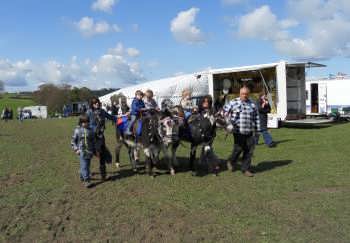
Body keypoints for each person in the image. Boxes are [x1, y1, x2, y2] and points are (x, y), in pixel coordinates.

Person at [224, 86, 260, 177]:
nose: (244, 95)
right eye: (243, 94)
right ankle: (231, 161)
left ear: (249, 94)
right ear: (239, 94)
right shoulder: (233, 102)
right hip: (238, 130)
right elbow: (224, 113)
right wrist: (228, 124)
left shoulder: (252, 104)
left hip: (249, 131)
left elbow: (256, 117)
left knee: (249, 150)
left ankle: (245, 169)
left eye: (246, 94)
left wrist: (258, 130)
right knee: (238, 149)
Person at [86, 97, 115, 181]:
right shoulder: (89, 112)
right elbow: (82, 122)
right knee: (89, 154)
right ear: (92, 104)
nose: (97, 104)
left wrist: (122, 117)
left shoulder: (102, 111)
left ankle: (103, 176)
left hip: (101, 137)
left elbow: (111, 117)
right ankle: (85, 172)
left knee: (102, 155)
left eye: (98, 102)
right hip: (91, 137)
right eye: (95, 103)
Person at [71, 114, 95, 188]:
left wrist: (94, 149)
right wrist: (76, 149)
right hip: (81, 151)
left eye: (87, 122)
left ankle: (82, 175)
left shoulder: (91, 130)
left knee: (86, 165)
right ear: (81, 122)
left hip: (89, 151)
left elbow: (93, 140)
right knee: (84, 165)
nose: (86, 124)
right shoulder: (77, 130)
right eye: (84, 122)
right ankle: (87, 180)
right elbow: (73, 141)